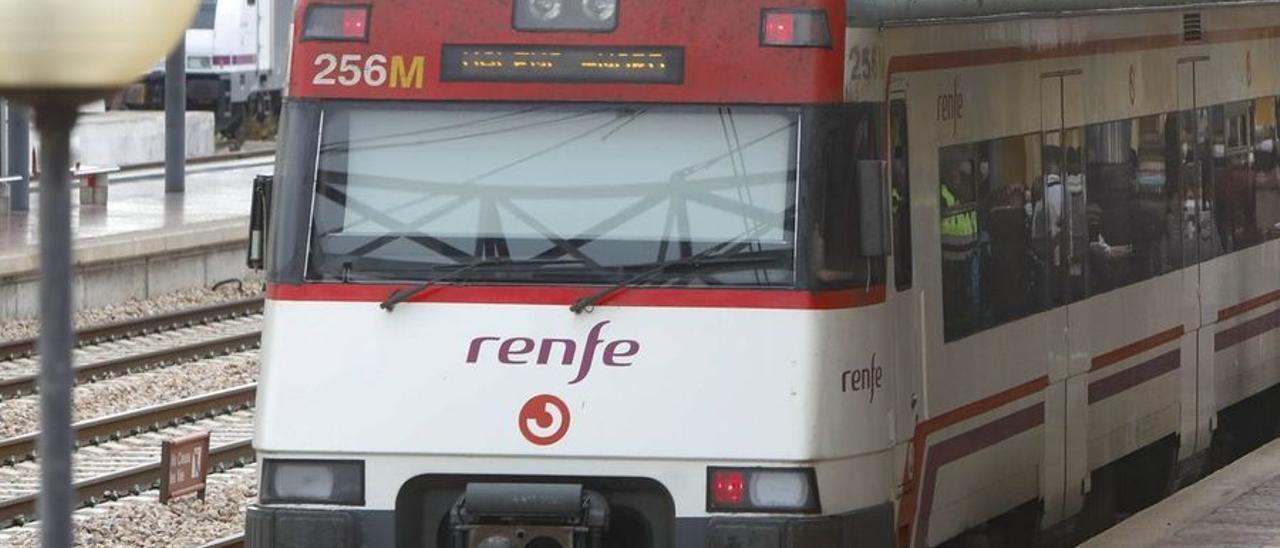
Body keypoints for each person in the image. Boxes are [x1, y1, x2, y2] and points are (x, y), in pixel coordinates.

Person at [940, 152, 979, 337]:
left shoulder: (966, 191)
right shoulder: (941, 193)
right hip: (949, 256)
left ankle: (968, 321)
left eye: (958, 171)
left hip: (968, 253)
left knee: (967, 294)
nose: (956, 175)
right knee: (952, 295)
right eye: (952, 171)